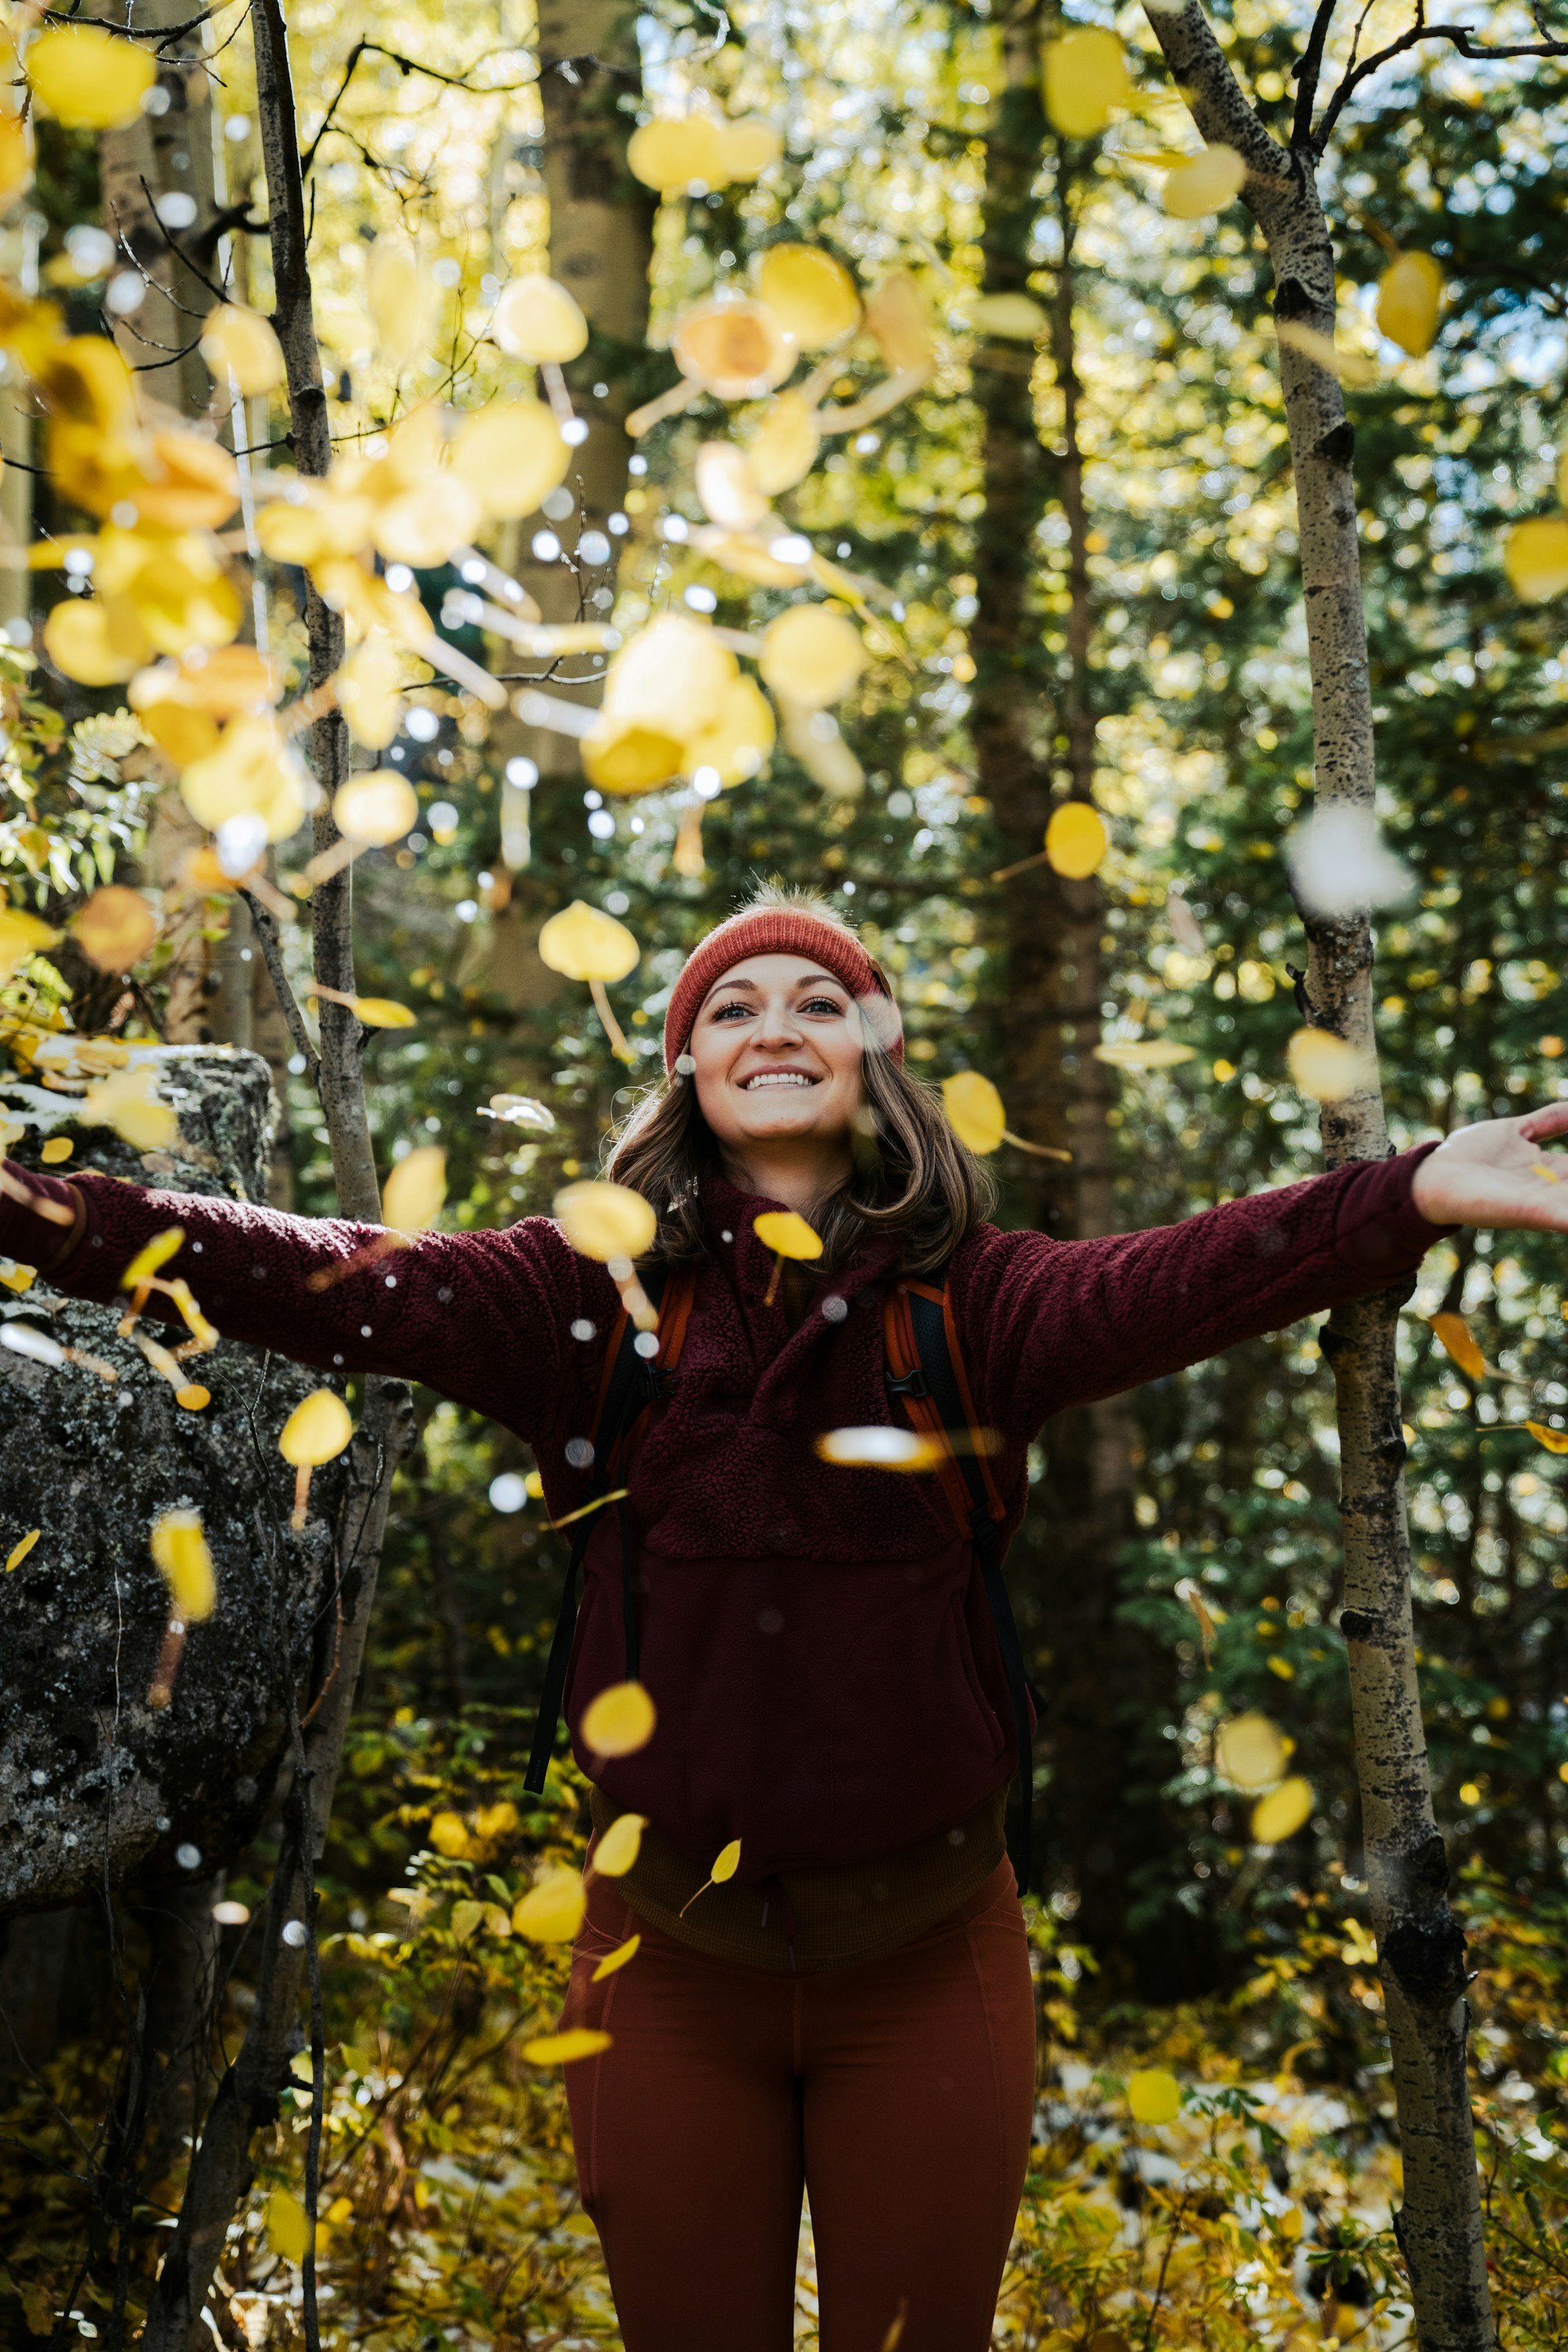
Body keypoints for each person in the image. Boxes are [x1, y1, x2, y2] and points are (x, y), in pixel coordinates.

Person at [2, 880, 1564, 2352]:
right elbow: (333, 1272)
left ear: (876, 1056)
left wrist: (1412, 1188)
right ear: (685, 1067)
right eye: (731, 1008)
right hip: (665, 1963)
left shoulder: (977, 1300)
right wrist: (35, 1208)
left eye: (819, 1003)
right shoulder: (582, 1299)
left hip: (930, 1957)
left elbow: (1182, 1272)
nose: (774, 1028)